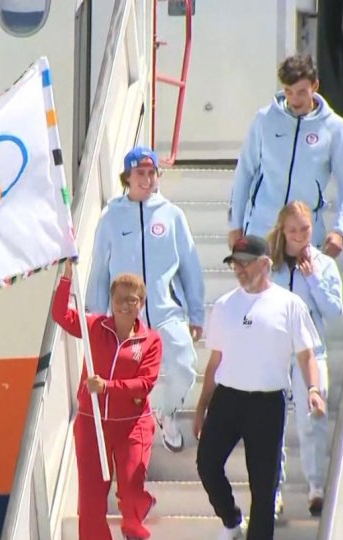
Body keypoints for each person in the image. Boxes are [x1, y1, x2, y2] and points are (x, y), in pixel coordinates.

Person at [194, 235, 327, 540]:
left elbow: (307, 354)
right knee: (207, 464)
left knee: (264, 488)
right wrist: (202, 406)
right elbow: (215, 361)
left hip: (267, 404)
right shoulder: (225, 305)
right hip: (227, 399)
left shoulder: (289, 304)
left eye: (244, 263)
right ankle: (231, 520)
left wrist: (313, 390)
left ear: (264, 264)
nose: (239, 270)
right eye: (234, 264)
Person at [87, 146, 205, 453]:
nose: (147, 179)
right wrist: (97, 319)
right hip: (127, 320)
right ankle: (131, 444)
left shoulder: (172, 215)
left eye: (152, 173)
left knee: (185, 366)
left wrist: (196, 313)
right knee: (125, 384)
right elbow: (99, 269)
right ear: (127, 177)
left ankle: (166, 412)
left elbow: (190, 266)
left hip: (166, 313)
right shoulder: (111, 217)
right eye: (140, 173)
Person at [52, 261, 162, 540]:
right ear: (110, 300)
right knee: (90, 504)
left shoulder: (151, 341)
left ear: (142, 303)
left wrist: (107, 387)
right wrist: (66, 277)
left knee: (131, 487)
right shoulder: (94, 326)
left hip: (132, 424)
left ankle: (134, 523)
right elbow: (61, 314)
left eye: (132, 299)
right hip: (92, 424)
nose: (125, 305)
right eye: (119, 298)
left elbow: (145, 384)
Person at [227, 53, 343, 260]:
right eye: (288, 92)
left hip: (304, 236)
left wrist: (341, 230)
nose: (294, 100)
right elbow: (244, 172)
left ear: (315, 86)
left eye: (301, 92)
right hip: (262, 230)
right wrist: (235, 224)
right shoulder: (265, 119)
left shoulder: (334, 127)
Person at [268, 201, 343, 518]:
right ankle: (273, 491)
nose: (300, 236)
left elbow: (335, 310)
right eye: (293, 230)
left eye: (305, 229)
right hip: (274, 352)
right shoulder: (270, 266)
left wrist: (313, 279)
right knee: (271, 425)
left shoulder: (323, 264)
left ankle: (315, 486)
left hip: (312, 352)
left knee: (312, 418)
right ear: (283, 231)